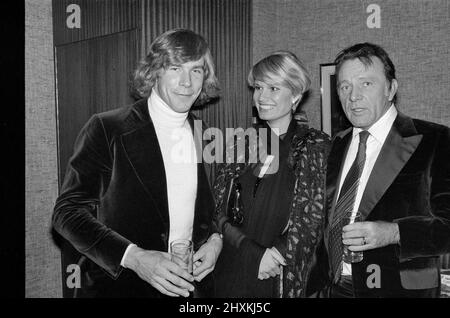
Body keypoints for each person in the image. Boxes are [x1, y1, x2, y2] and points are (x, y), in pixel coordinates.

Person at [52, 29, 223, 298]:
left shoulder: (205, 134)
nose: (187, 82)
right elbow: (66, 214)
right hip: (120, 288)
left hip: (189, 289)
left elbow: (207, 212)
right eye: (175, 68)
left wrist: (215, 240)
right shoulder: (107, 128)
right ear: (155, 72)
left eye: (196, 70)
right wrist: (134, 258)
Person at [322, 42, 450, 297]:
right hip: (333, 288)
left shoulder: (436, 139)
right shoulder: (336, 144)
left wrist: (394, 232)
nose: (353, 96)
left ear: (391, 88)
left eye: (366, 84)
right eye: (344, 86)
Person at [212, 51, 331, 297]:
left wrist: (272, 257)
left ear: (296, 95)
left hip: (276, 274)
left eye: (274, 88)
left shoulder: (314, 145)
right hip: (231, 268)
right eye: (258, 87)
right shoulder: (240, 143)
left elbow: (313, 219)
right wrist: (250, 252)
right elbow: (216, 207)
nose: (262, 97)